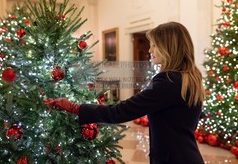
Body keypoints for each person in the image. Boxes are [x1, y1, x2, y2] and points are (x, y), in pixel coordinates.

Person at [53, 21, 205, 164]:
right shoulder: (189, 77)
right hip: (187, 155)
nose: (150, 50)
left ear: (168, 48)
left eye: (154, 45)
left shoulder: (168, 81)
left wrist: (75, 108)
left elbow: (121, 111)